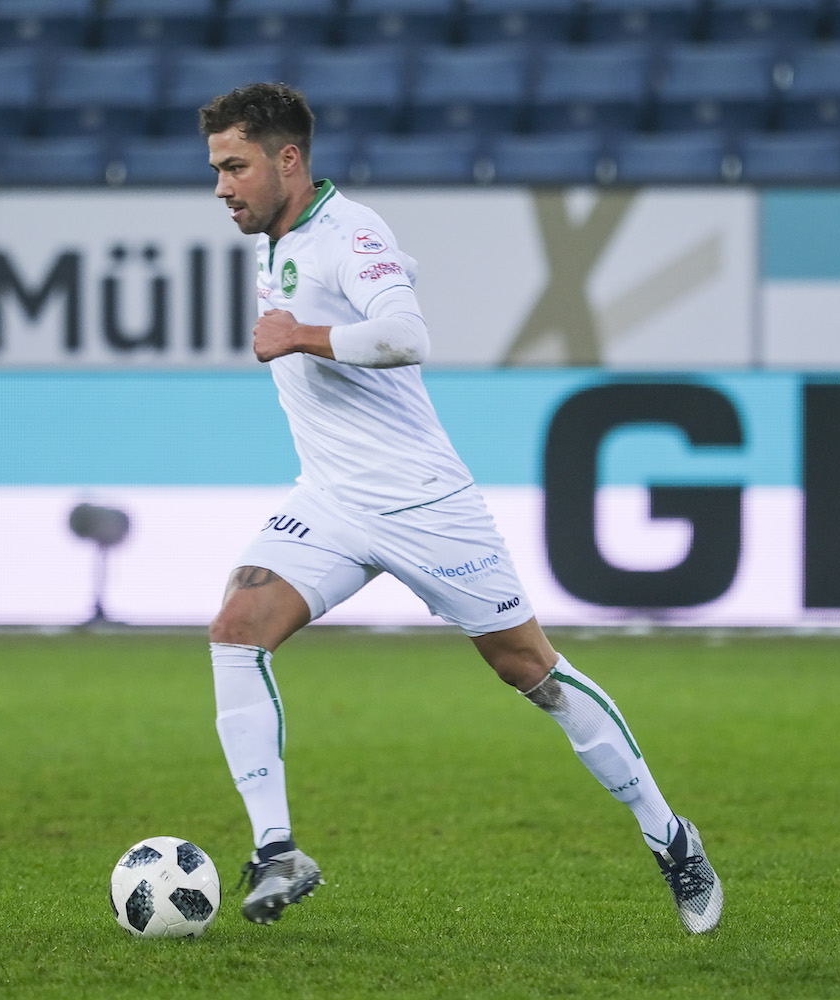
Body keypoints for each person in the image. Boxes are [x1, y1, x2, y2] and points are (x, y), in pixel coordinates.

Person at [199, 83, 723, 934]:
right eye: (217, 169)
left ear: (288, 160)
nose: (221, 187)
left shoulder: (350, 232)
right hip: (331, 497)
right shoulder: (279, 237)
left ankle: (670, 837)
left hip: (423, 502)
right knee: (236, 626)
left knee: (530, 670)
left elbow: (408, 335)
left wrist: (302, 336)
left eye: (234, 167)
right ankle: (275, 850)